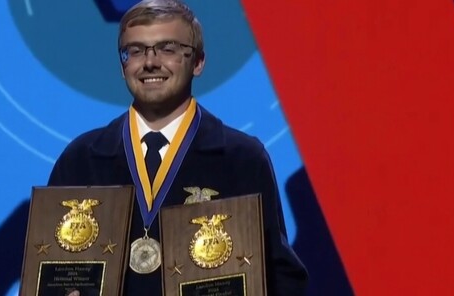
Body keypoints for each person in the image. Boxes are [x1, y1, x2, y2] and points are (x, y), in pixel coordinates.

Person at [47, 0, 308, 295]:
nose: (150, 62)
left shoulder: (241, 158)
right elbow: (49, 275)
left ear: (198, 62)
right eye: (135, 51)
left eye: (167, 48)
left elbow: (280, 277)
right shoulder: (82, 159)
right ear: (123, 67)